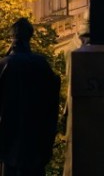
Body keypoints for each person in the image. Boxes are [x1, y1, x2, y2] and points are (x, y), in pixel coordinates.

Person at [0, 18, 60, 176]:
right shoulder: (41, 64)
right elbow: (52, 102)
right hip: (35, 142)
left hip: (9, 142)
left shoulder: (5, 64)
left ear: (13, 38)